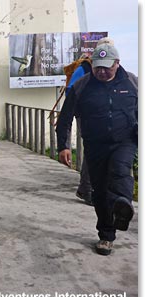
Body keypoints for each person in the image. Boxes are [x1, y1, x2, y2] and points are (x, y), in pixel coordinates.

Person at [56, 43, 138, 256]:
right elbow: (64, 118)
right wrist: (63, 146)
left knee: (120, 169)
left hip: (125, 140)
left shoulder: (132, 82)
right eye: (97, 67)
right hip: (95, 145)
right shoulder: (82, 86)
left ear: (117, 64)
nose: (101, 71)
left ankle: (122, 206)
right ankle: (106, 236)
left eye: (106, 67)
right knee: (99, 192)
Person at [65, 37, 114, 206]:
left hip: (105, 117)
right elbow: (70, 91)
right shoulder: (84, 68)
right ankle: (86, 188)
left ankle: (92, 187)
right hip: (87, 116)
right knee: (92, 151)